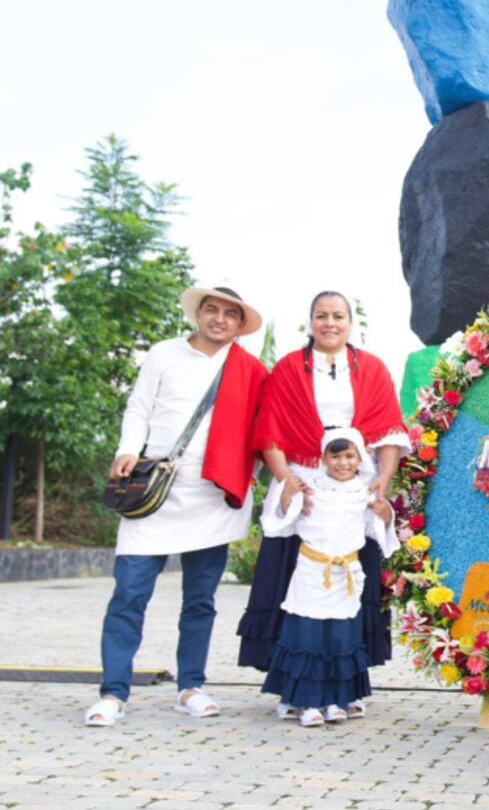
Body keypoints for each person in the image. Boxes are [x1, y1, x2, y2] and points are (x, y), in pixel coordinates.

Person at [85, 284, 269, 726]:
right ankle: (113, 693)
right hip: (153, 492)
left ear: (240, 324)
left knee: (201, 600)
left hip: (213, 495)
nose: (219, 319)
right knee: (129, 594)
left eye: (230, 314)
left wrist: (252, 480)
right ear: (198, 314)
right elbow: (139, 407)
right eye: (212, 310)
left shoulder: (250, 370)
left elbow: (263, 432)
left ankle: (191, 686)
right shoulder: (163, 354)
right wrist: (127, 449)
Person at [237, 291, 410, 719]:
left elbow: (389, 432)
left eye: (338, 316)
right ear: (310, 321)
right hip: (305, 484)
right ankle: (293, 689)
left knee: (353, 582)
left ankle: (344, 685)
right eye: (321, 316)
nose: (329, 323)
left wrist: (381, 484)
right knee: (294, 584)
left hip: (356, 485)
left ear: (350, 323)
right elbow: (271, 432)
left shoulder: (371, 369)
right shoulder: (289, 369)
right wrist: (287, 481)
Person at [260, 428, 400, 726]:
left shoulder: (365, 493)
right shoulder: (311, 488)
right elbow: (282, 519)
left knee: (341, 636)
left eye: (350, 456)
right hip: (312, 574)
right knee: (309, 635)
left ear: (360, 459)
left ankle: (338, 697)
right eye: (335, 456)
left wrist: (384, 513)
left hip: (345, 577)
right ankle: (306, 700)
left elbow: (380, 529)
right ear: (324, 458)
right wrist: (289, 495)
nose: (343, 463)